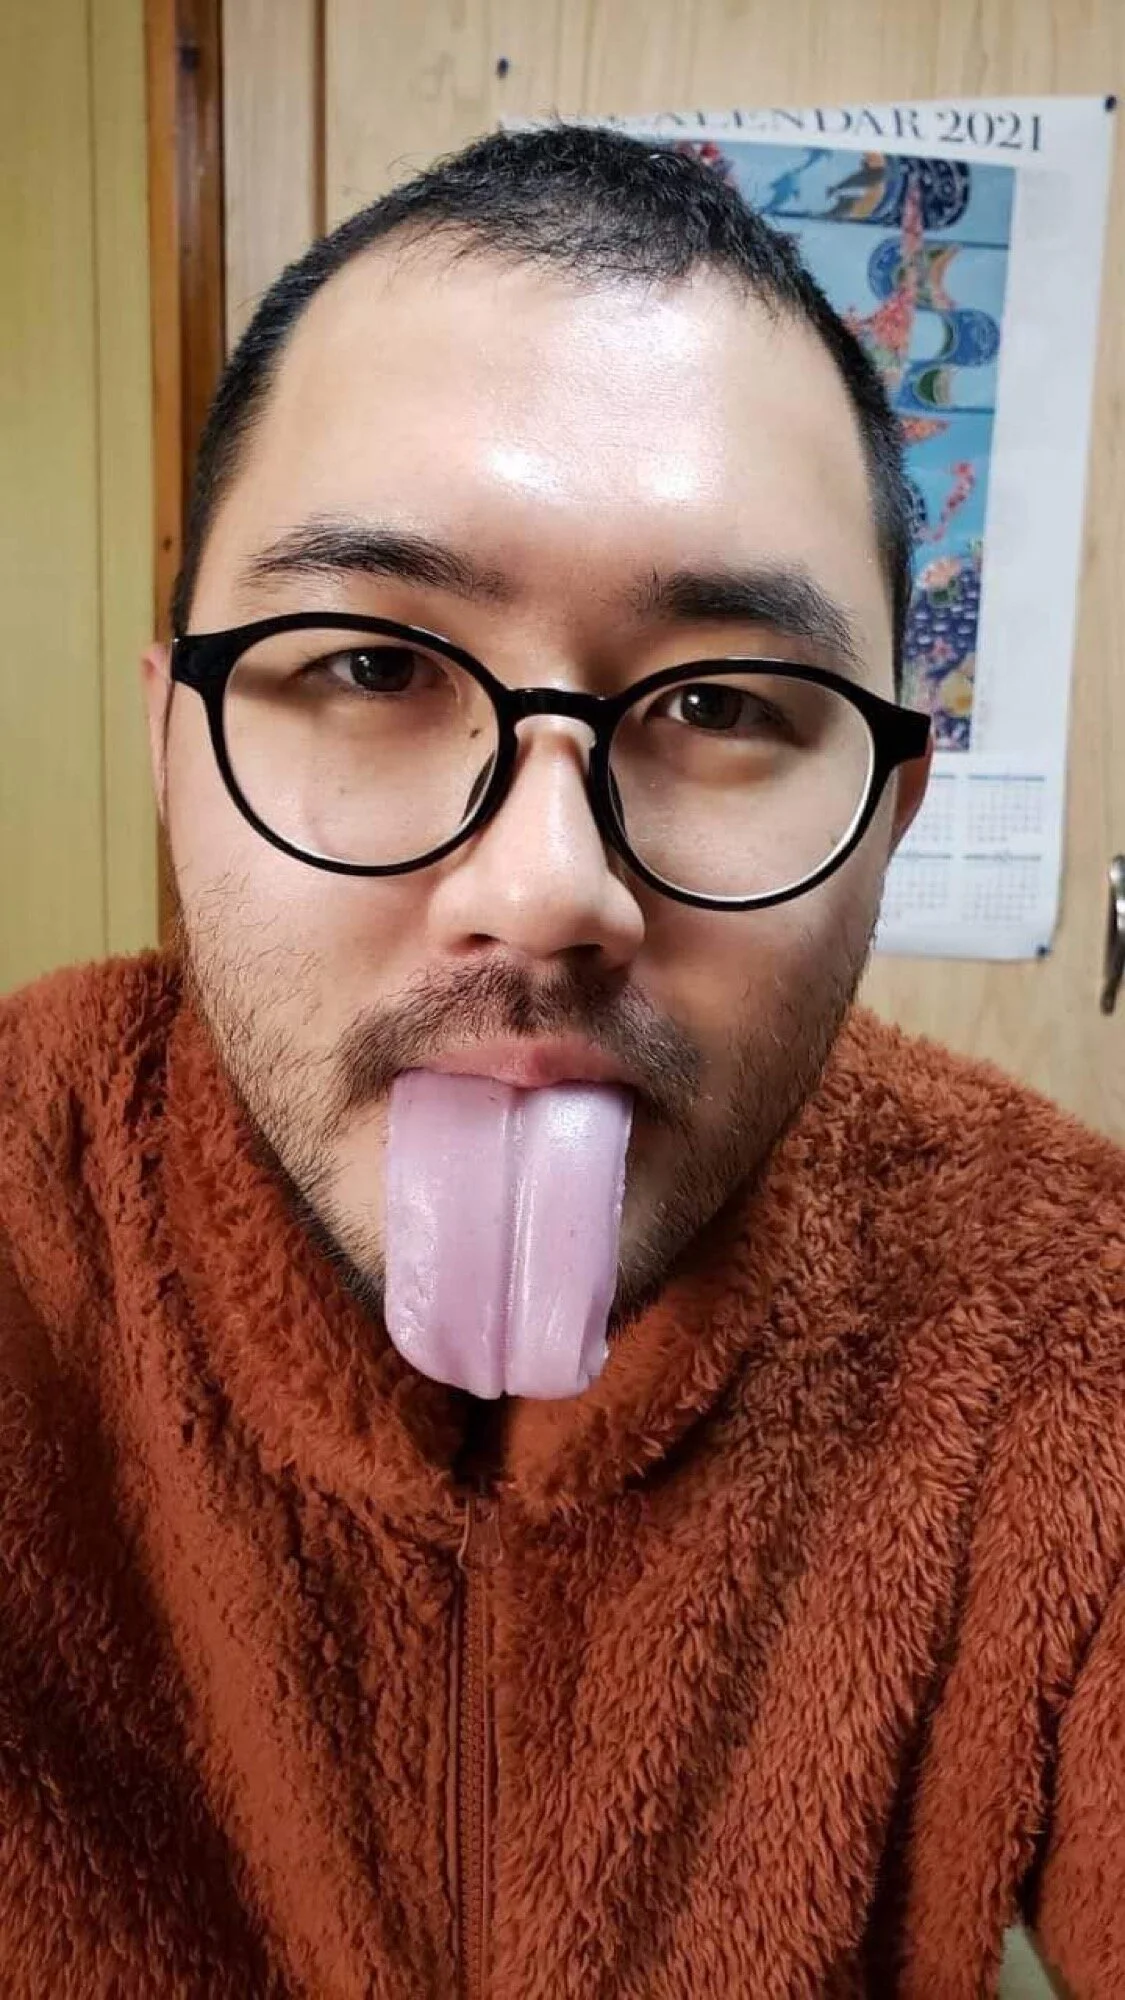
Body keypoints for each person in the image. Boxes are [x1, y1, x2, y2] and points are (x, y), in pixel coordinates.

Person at [1, 122, 1121, 2000]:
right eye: (372, 666)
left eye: (722, 702)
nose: (544, 891)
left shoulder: (1064, 1317)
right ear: (173, 741)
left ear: (890, 816)